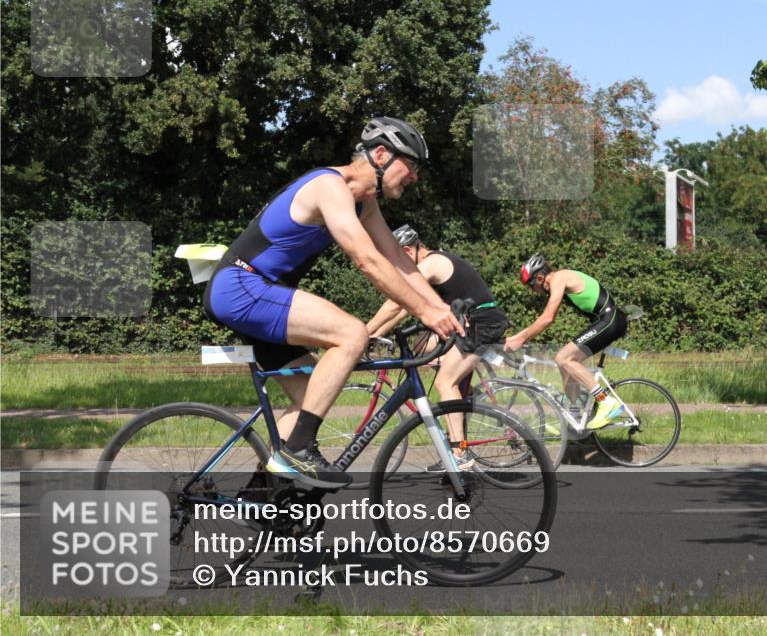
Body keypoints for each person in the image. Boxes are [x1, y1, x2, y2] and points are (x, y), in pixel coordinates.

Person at [203, 117, 463, 488]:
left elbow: (400, 262)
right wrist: (425, 312)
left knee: (314, 389)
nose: (414, 177)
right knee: (351, 334)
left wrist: (440, 308)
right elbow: (367, 261)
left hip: (261, 294)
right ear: (381, 154)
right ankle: (297, 452)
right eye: (411, 166)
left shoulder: (365, 205)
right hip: (241, 286)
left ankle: (265, 494)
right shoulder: (329, 186)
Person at [367, 224, 510, 471]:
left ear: (408, 250)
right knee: (424, 345)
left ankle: (459, 453)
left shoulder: (431, 263)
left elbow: (395, 303)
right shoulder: (432, 264)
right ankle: (463, 395)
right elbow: (403, 307)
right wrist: (377, 333)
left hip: (481, 323)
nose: (397, 267)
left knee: (445, 382)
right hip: (474, 323)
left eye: (397, 259)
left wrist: (365, 332)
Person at [504, 253, 628, 429]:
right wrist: (516, 338)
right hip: (608, 321)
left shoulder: (559, 278)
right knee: (564, 362)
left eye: (532, 287)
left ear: (539, 278)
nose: (534, 292)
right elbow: (542, 320)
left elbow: (547, 318)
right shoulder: (559, 280)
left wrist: (521, 339)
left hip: (610, 320)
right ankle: (575, 413)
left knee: (564, 358)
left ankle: (606, 402)